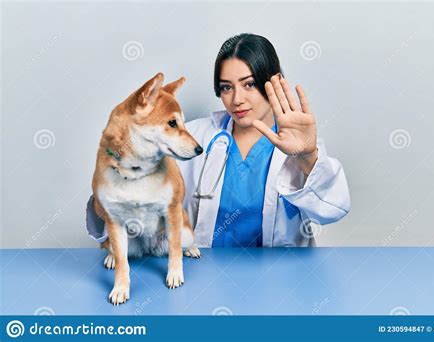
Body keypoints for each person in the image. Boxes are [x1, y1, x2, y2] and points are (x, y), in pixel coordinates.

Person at [86, 33, 350, 248]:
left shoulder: (298, 145)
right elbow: (135, 208)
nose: (237, 99)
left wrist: (307, 157)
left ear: (273, 82)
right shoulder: (191, 139)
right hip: (206, 277)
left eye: (249, 84)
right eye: (226, 87)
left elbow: (333, 208)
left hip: (281, 281)